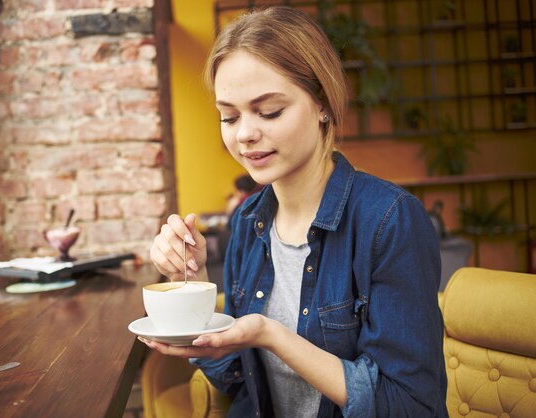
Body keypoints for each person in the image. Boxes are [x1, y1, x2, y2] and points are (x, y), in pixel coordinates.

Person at [147, 6, 448, 418]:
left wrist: (271, 335)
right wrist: (194, 286)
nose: (246, 134)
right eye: (229, 116)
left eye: (269, 111)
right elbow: (236, 379)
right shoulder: (248, 221)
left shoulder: (389, 221)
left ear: (322, 102)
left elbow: (408, 406)